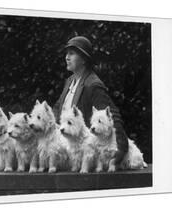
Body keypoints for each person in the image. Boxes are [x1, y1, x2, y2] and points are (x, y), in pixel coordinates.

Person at [53, 36, 129, 167]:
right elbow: (57, 109)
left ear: (83, 59)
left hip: (84, 154)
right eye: (66, 53)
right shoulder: (70, 81)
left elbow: (112, 116)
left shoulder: (93, 85)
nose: (67, 57)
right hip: (65, 146)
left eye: (72, 53)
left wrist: (121, 150)